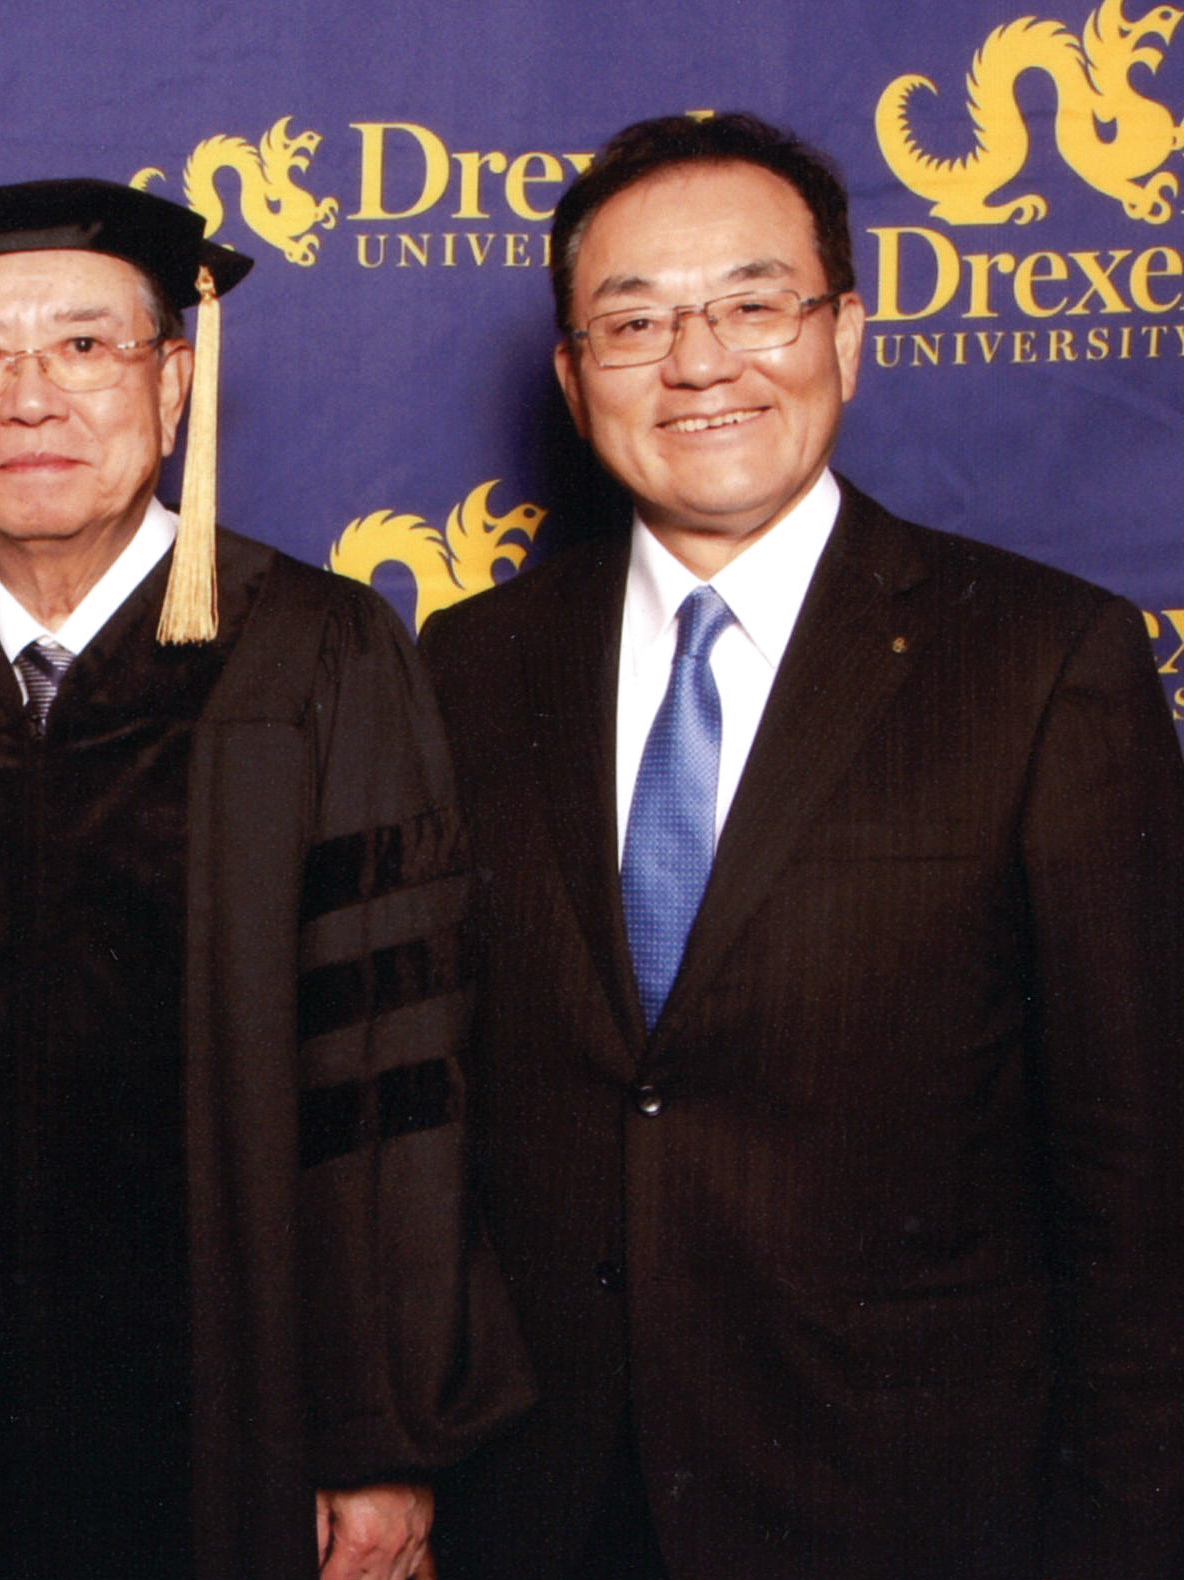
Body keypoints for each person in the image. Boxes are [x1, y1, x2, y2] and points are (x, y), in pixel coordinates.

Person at [423, 112, 1184, 1578]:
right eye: (633, 321)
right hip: (547, 1502)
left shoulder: (1038, 660)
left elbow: (1137, 1177)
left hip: (910, 1503)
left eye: (753, 305)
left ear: (846, 329)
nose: (699, 362)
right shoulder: (468, 664)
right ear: (573, 375)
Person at [0, 178, 530, 1580]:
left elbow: (394, 1084)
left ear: (173, 387)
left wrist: (372, 1437)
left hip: (244, 1437)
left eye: (84, 347)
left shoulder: (319, 654)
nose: (30, 399)